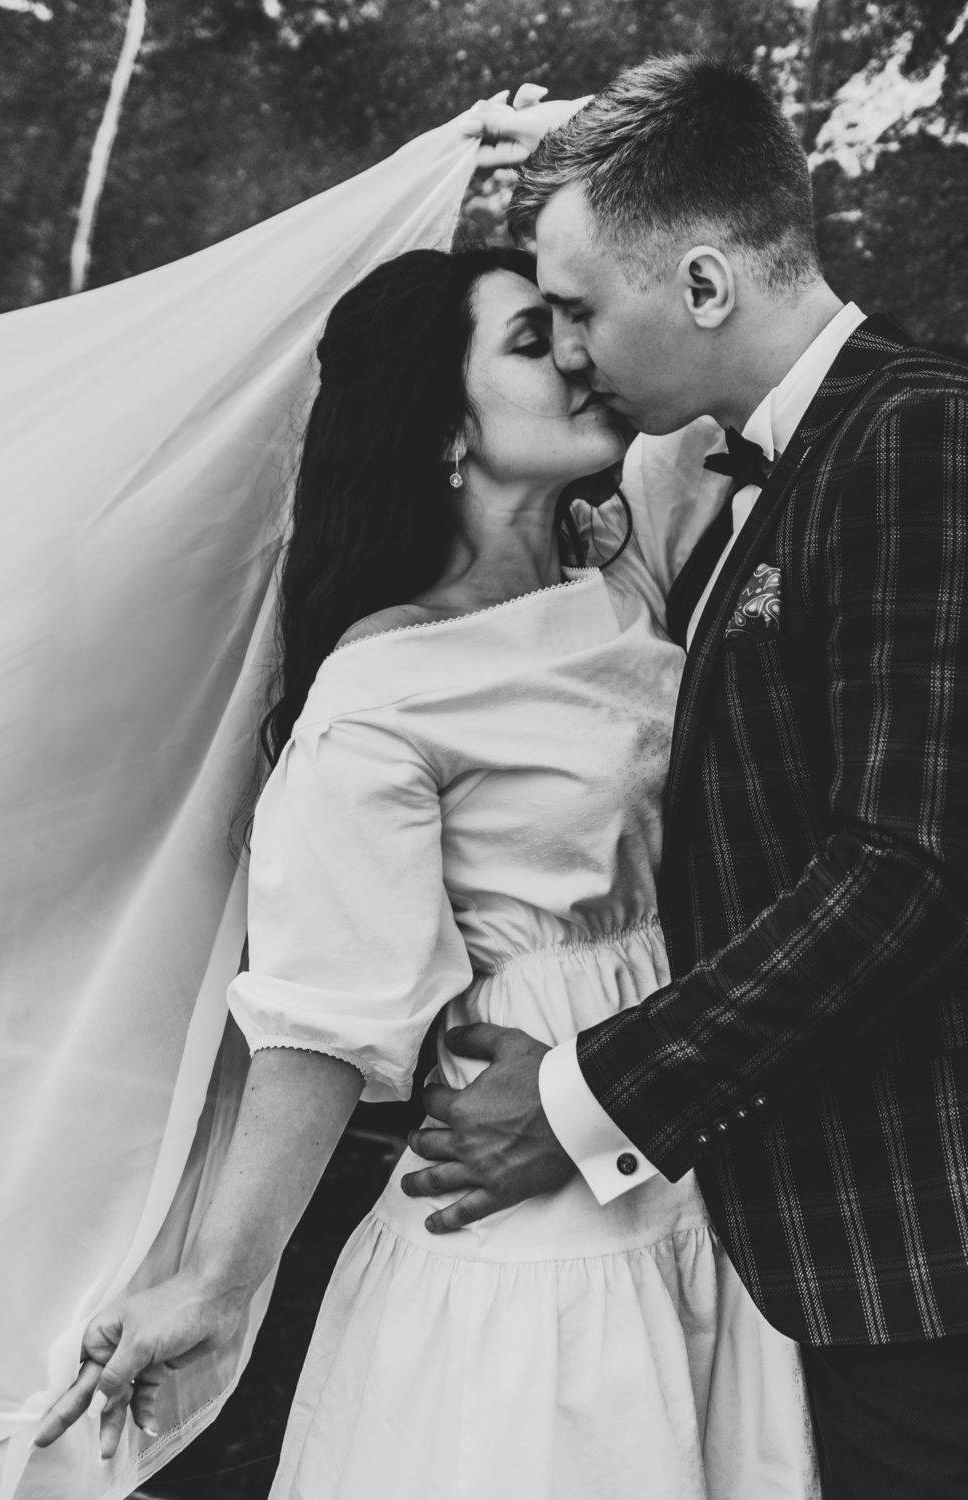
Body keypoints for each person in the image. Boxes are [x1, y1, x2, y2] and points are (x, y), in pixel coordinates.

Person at [34, 239, 820, 1496]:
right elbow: (329, 1018)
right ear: (442, 423)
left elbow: (705, 322)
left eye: (569, 324)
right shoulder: (384, 688)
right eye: (532, 341)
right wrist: (220, 1282)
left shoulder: (624, 565)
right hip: (531, 1201)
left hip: (697, 1135)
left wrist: (555, 191)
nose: (579, 355)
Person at [397, 56, 968, 1500]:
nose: (571, 352)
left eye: (580, 310)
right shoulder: (762, 471)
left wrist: (583, 1096)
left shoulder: (914, 436)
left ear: (704, 284)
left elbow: (906, 868)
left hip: (924, 1256)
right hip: (818, 1260)